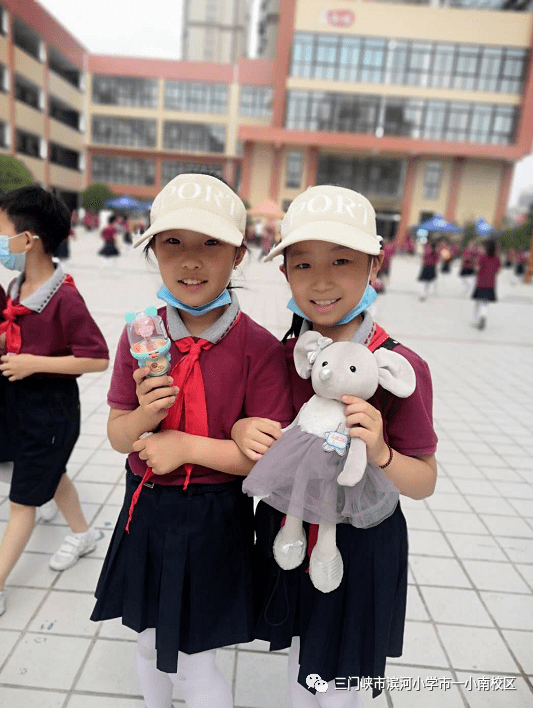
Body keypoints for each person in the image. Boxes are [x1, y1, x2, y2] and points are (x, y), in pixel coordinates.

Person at [90, 173, 293, 708]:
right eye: (172, 243)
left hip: (214, 516)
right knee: (147, 638)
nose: (191, 261)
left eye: (210, 244)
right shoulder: (140, 335)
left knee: (194, 658)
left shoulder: (260, 349)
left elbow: (268, 465)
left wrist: (184, 445)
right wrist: (144, 417)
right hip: (146, 510)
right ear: (153, 249)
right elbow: (117, 434)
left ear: (238, 255)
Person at [231, 185, 438, 707]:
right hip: (290, 531)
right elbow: (260, 436)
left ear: (375, 264)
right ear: (284, 273)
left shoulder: (400, 370)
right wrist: (239, 431)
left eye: (342, 261)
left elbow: (425, 481)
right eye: (302, 265)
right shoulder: (283, 355)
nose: (321, 281)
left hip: (362, 544)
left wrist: (384, 451)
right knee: (301, 666)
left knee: (339, 683)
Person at [0, 186, 109, 617]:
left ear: (29, 240)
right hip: (18, 406)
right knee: (52, 473)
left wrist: (33, 362)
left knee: (22, 502)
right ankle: (83, 534)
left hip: (51, 412)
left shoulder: (64, 297)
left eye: (2, 232)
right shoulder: (16, 283)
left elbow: (98, 358)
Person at [471, 238, 501, 330]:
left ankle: (477, 319)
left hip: (481, 282)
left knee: (478, 301)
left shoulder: (482, 257)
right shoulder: (497, 258)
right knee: (485, 302)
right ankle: (482, 316)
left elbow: (477, 269)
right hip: (491, 283)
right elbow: (498, 271)